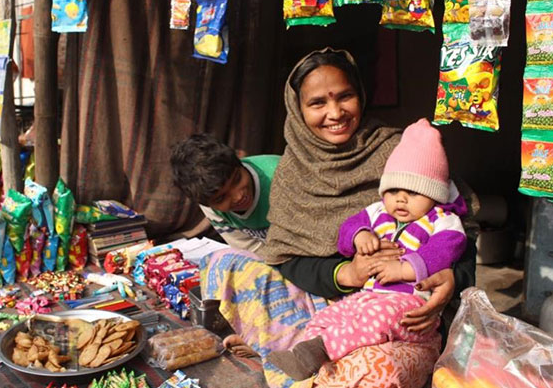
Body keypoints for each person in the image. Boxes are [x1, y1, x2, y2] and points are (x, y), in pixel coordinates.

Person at [200, 48, 475, 388]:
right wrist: (347, 273)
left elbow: (460, 231)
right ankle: (298, 347)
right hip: (332, 303)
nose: (335, 113)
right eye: (317, 103)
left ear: (361, 95)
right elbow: (286, 257)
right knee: (225, 263)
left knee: (377, 369)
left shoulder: (404, 153)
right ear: (297, 109)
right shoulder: (292, 172)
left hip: (404, 307)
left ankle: (296, 351)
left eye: (345, 96)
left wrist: (451, 280)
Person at [267, 118, 468, 380]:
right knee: (332, 315)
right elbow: (348, 227)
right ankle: (306, 355)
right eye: (393, 190)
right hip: (366, 297)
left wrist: (406, 268)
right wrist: (358, 235)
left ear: (435, 194)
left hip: (409, 305)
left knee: (379, 319)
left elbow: (445, 250)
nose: (401, 199)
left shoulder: (442, 220)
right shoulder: (377, 212)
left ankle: (321, 350)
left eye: (414, 192)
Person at [170, 133, 280, 253]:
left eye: (237, 180)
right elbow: (251, 250)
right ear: (207, 203)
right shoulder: (208, 200)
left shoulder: (280, 177)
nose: (238, 197)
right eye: (221, 198)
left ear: (239, 163)